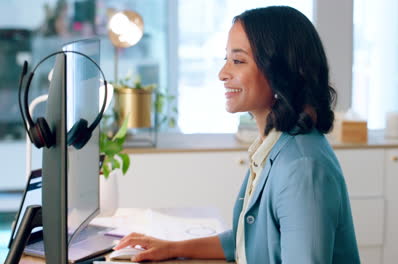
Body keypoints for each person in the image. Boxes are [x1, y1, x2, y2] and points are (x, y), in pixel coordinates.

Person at [114, 5, 360, 263]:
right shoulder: (275, 146)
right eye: (226, 59)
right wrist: (173, 248)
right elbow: (247, 239)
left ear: (282, 71)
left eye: (238, 61)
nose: (223, 74)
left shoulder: (302, 168)